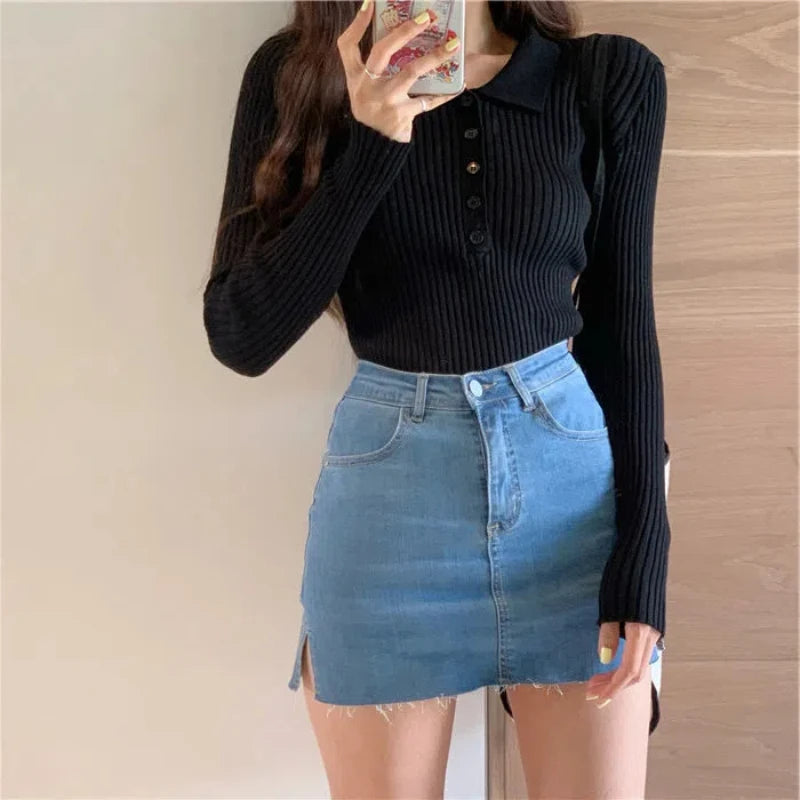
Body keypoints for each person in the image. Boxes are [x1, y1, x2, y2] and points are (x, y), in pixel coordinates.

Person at [202, 0, 671, 796]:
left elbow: (622, 332)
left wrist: (644, 550)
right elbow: (242, 335)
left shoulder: (603, 77)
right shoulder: (298, 78)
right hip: (387, 507)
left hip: (573, 506)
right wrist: (373, 143)